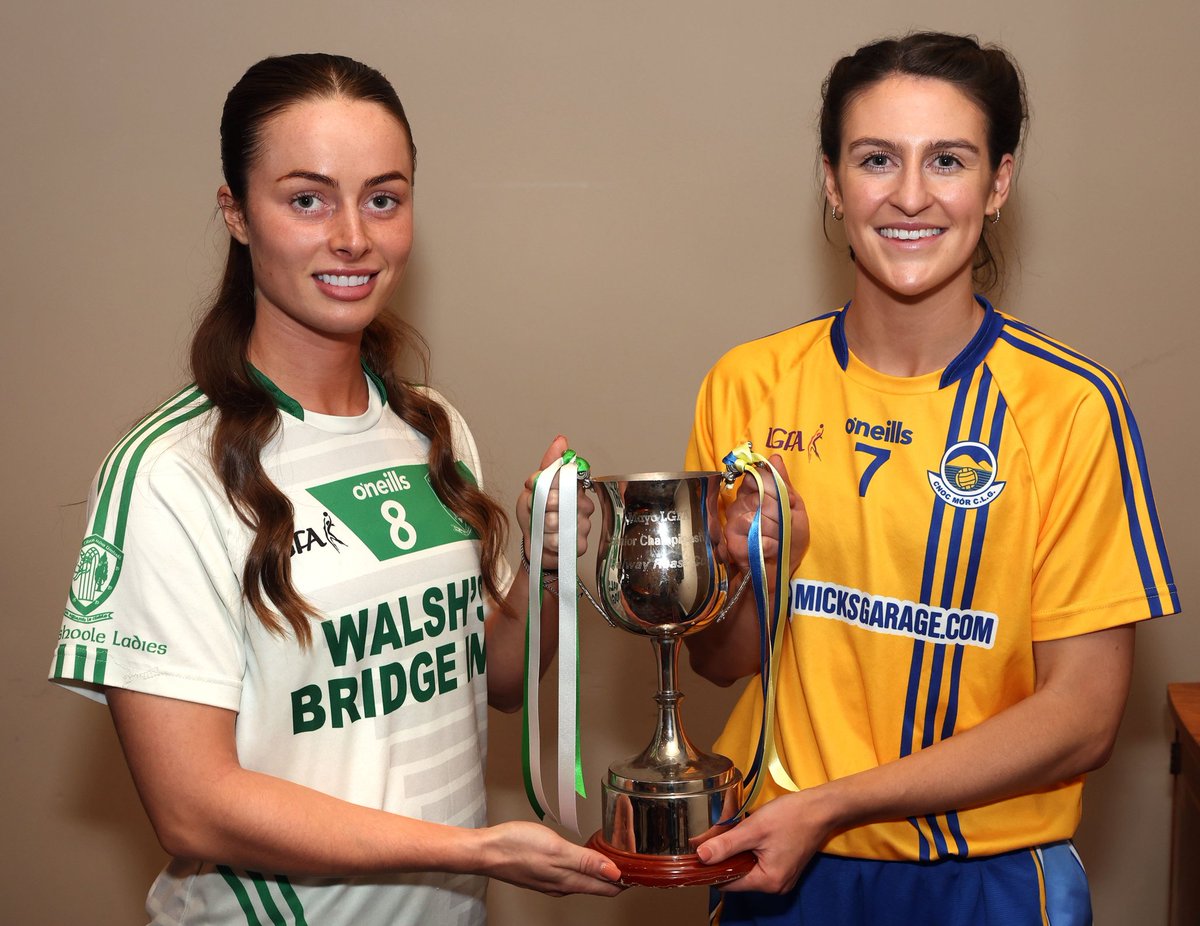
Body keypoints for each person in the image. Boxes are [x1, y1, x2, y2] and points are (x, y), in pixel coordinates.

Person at [49, 52, 620, 925]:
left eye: (383, 198)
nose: (353, 236)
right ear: (238, 214)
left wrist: (544, 564)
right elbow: (191, 804)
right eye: (307, 198)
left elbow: (496, 679)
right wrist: (473, 851)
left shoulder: (433, 428)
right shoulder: (171, 474)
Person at [683, 32, 1179, 925]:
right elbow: (720, 664)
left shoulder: (1069, 406)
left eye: (947, 160)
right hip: (781, 861)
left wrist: (839, 803)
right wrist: (764, 571)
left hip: (984, 873)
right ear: (833, 182)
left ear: (997, 184)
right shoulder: (748, 384)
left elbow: (1085, 715)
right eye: (877, 159)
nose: (910, 196)